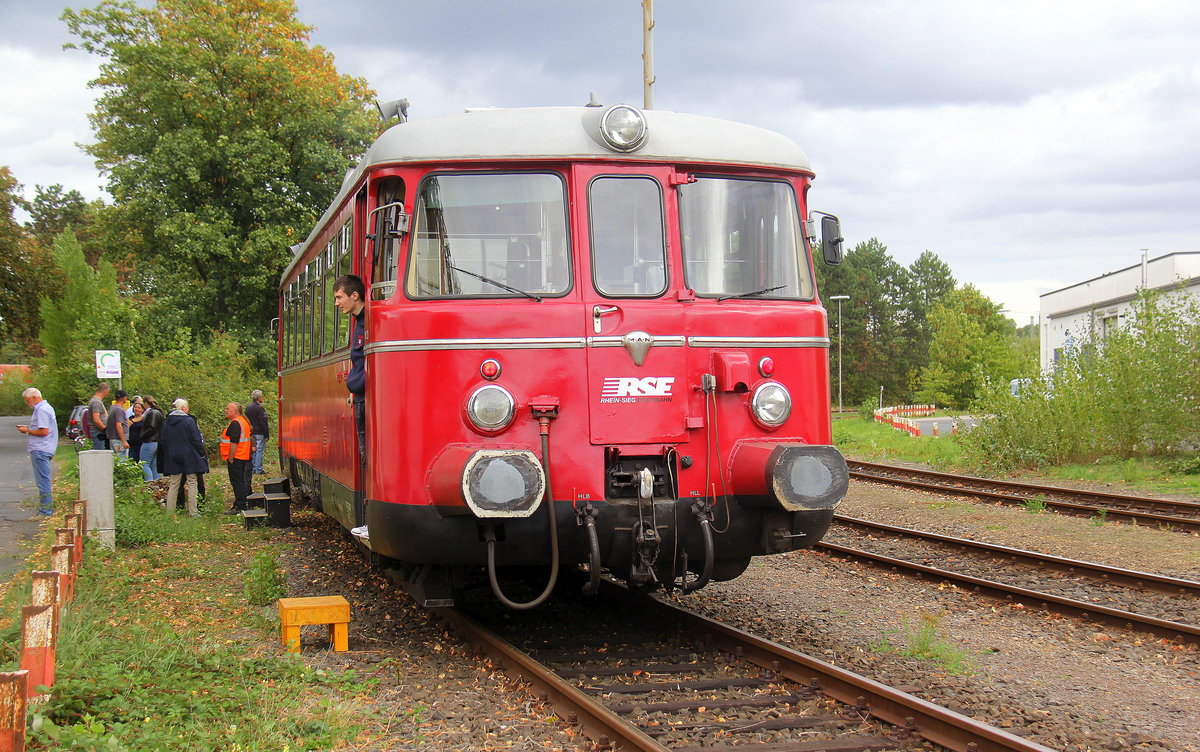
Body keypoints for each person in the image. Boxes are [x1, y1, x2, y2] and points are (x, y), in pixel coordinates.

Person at [333, 274, 367, 462]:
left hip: (365, 400)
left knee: (366, 455)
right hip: (360, 397)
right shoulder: (358, 322)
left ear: (354, 295)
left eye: (339, 297)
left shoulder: (368, 321)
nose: (337, 303)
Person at [158, 398, 208, 516]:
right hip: (189, 455)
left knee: (174, 483)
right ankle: (193, 511)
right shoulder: (189, 421)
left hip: (173, 455)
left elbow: (163, 440)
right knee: (192, 482)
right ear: (184, 408)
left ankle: (170, 512)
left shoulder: (166, 422)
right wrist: (201, 454)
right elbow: (196, 440)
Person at [16, 387, 58, 517]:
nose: (26, 403)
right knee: (43, 480)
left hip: (41, 449)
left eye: (27, 400)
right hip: (45, 448)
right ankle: (45, 509)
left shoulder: (42, 410)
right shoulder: (45, 408)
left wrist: (27, 431)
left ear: (34, 397)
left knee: (43, 481)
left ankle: (46, 511)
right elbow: (42, 428)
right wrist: (29, 428)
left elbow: (43, 432)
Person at [220, 402, 253, 512]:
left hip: (236, 456)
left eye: (228, 408)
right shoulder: (242, 421)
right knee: (240, 481)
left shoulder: (236, 423)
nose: (226, 410)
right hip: (242, 455)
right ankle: (240, 503)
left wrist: (230, 457)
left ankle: (240, 505)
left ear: (235, 411)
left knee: (237, 481)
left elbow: (234, 442)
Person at [138, 395, 164, 481]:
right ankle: (156, 482)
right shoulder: (159, 412)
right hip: (157, 441)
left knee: (144, 463)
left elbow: (151, 427)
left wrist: (142, 435)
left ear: (145, 403)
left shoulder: (152, 413)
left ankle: (148, 482)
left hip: (149, 441)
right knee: (153, 465)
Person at [245, 389, 269, 475]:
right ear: (259, 398)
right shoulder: (260, 408)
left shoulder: (248, 408)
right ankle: (258, 468)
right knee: (259, 450)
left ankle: (253, 468)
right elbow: (263, 422)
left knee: (253, 450)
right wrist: (266, 434)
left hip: (251, 432)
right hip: (259, 432)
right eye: (261, 396)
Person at [105, 389, 131, 459]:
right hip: (118, 440)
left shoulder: (113, 407)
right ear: (123, 398)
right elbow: (119, 426)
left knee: (115, 459)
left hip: (113, 438)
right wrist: (124, 441)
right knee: (121, 460)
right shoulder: (119, 409)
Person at [88, 382, 110, 450]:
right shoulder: (96, 402)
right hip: (98, 432)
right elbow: (96, 419)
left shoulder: (97, 401)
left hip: (99, 431)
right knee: (100, 452)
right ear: (105, 391)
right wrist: (104, 430)